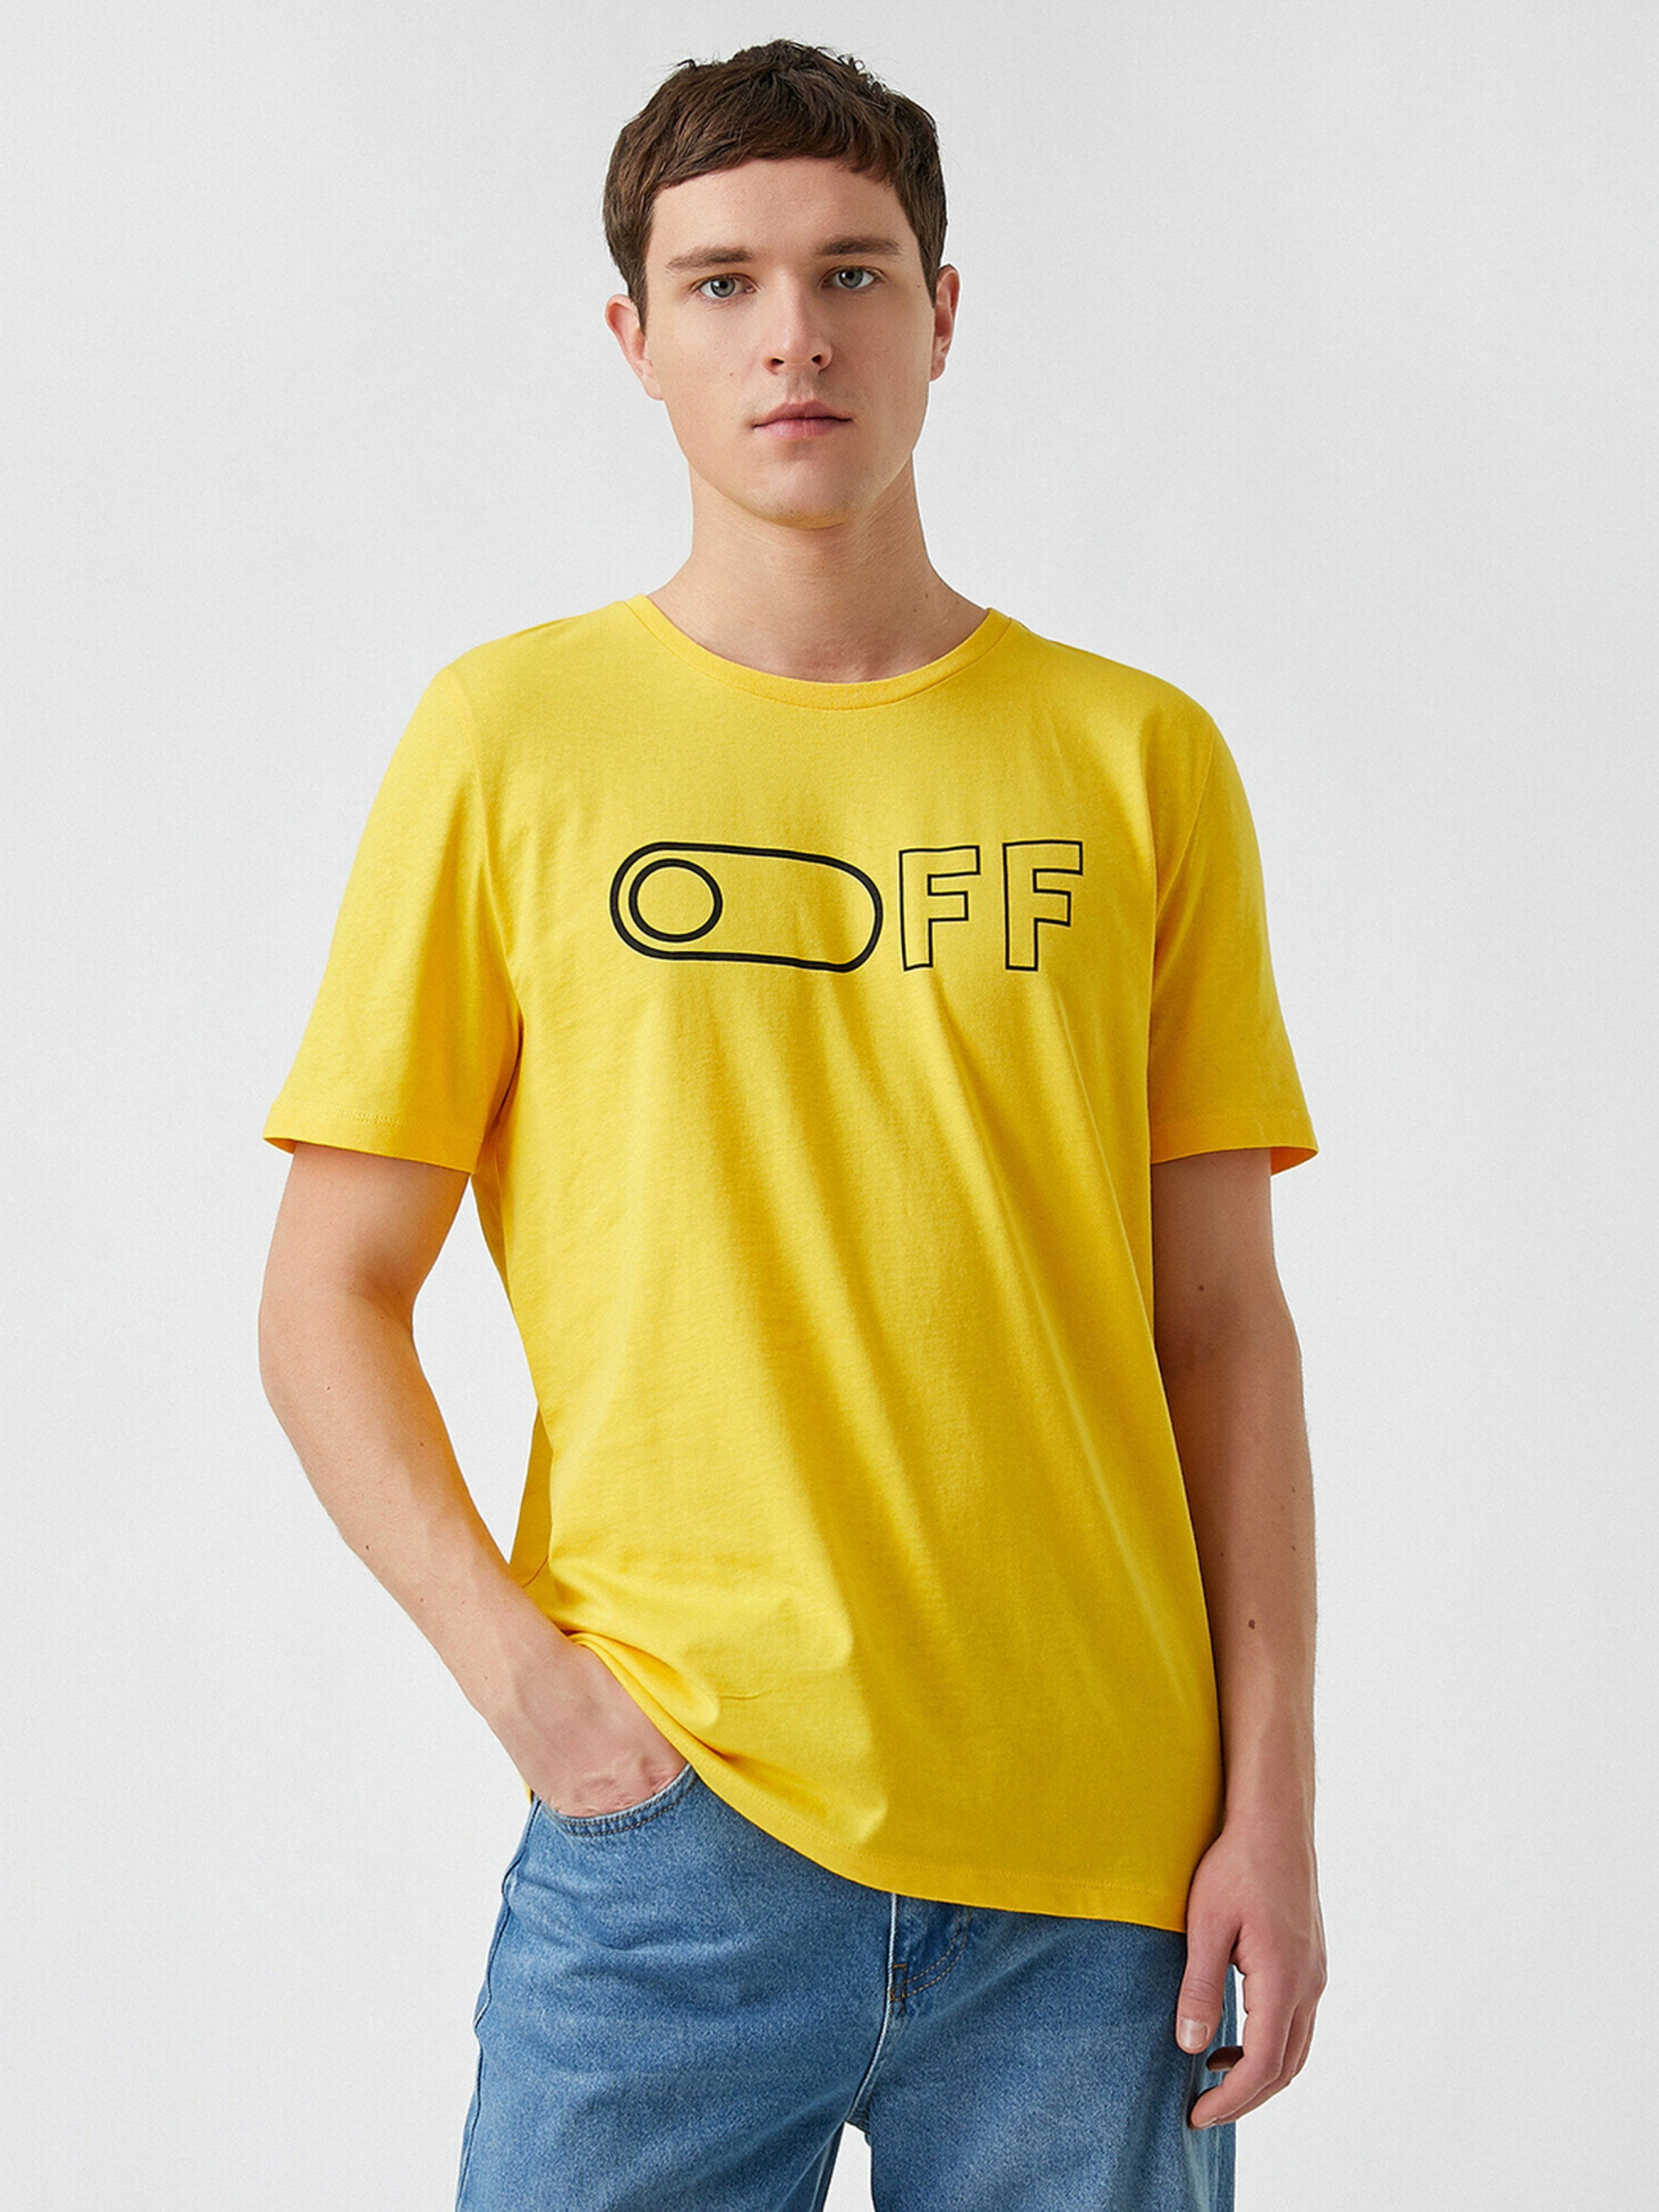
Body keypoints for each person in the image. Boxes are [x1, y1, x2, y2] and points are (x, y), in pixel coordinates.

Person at [257, 38, 1326, 2212]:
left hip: (1095, 1869)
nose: (793, 335)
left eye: (851, 273)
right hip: (678, 1834)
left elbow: (1223, 1327)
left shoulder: (1137, 759)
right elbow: (326, 1298)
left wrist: (1272, 1806)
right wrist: (537, 1696)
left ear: (942, 315)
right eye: (723, 281)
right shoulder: (510, 740)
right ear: (634, 338)